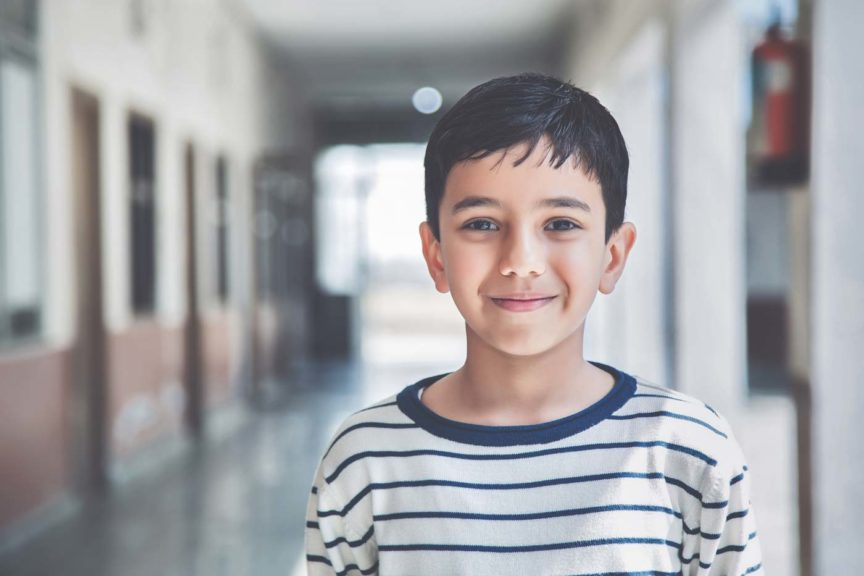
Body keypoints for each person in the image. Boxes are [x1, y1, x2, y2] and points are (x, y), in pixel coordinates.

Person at [305, 72, 763, 575]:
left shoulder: (689, 450)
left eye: (560, 224)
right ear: (436, 256)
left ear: (613, 255)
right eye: (481, 224)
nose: (521, 261)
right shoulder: (365, 460)